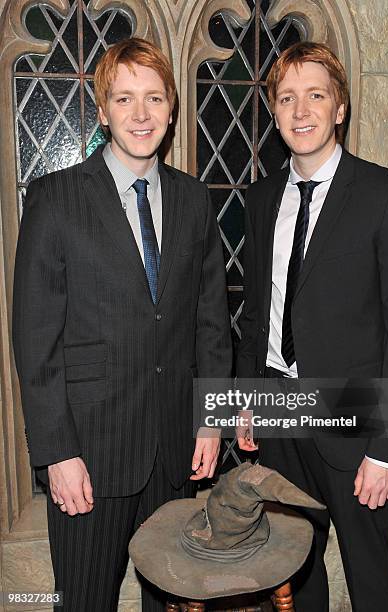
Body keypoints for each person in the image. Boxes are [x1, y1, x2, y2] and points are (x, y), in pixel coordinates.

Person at [13, 37, 231, 611]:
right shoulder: (55, 199)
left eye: (154, 98)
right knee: (84, 601)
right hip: (90, 455)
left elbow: (212, 323)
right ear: (103, 108)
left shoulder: (193, 200)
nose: (141, 115)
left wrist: (210, 425)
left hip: (174, 452)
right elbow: (35, 342)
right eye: (125, 98)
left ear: (172, 107)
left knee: (175, 601)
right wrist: (57, 454)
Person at [236, 41, 388, 611]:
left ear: (339, 107)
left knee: (371, 580)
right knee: (294, 573)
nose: (301, 111)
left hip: (355, 427)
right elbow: (255, 312)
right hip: (278, 418)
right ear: (274, 112)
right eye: (287, 98)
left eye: (315, 95)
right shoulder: (260, 198)